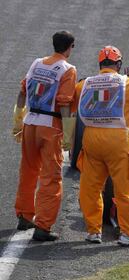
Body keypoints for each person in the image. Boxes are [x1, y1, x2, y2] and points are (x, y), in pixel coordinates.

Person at [76, 46, 129, 245]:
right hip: (118, 143)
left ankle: (93, 231)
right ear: (119, 64)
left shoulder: (84, 85)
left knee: (90, 187)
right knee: (126, 189)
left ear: (100, 65)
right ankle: (128, 235)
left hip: (91, 142)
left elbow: (69, 103)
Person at [12, 31, 77, 241]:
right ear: (70, 47)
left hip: (30, 122)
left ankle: (24, 215)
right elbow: (65, 103)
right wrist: (68, 134)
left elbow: (22, 93)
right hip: (51, 127)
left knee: (28, 170)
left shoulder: (36, 63)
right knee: (51, 176)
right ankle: (43, 226)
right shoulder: (68, 69)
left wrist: (17, 121)